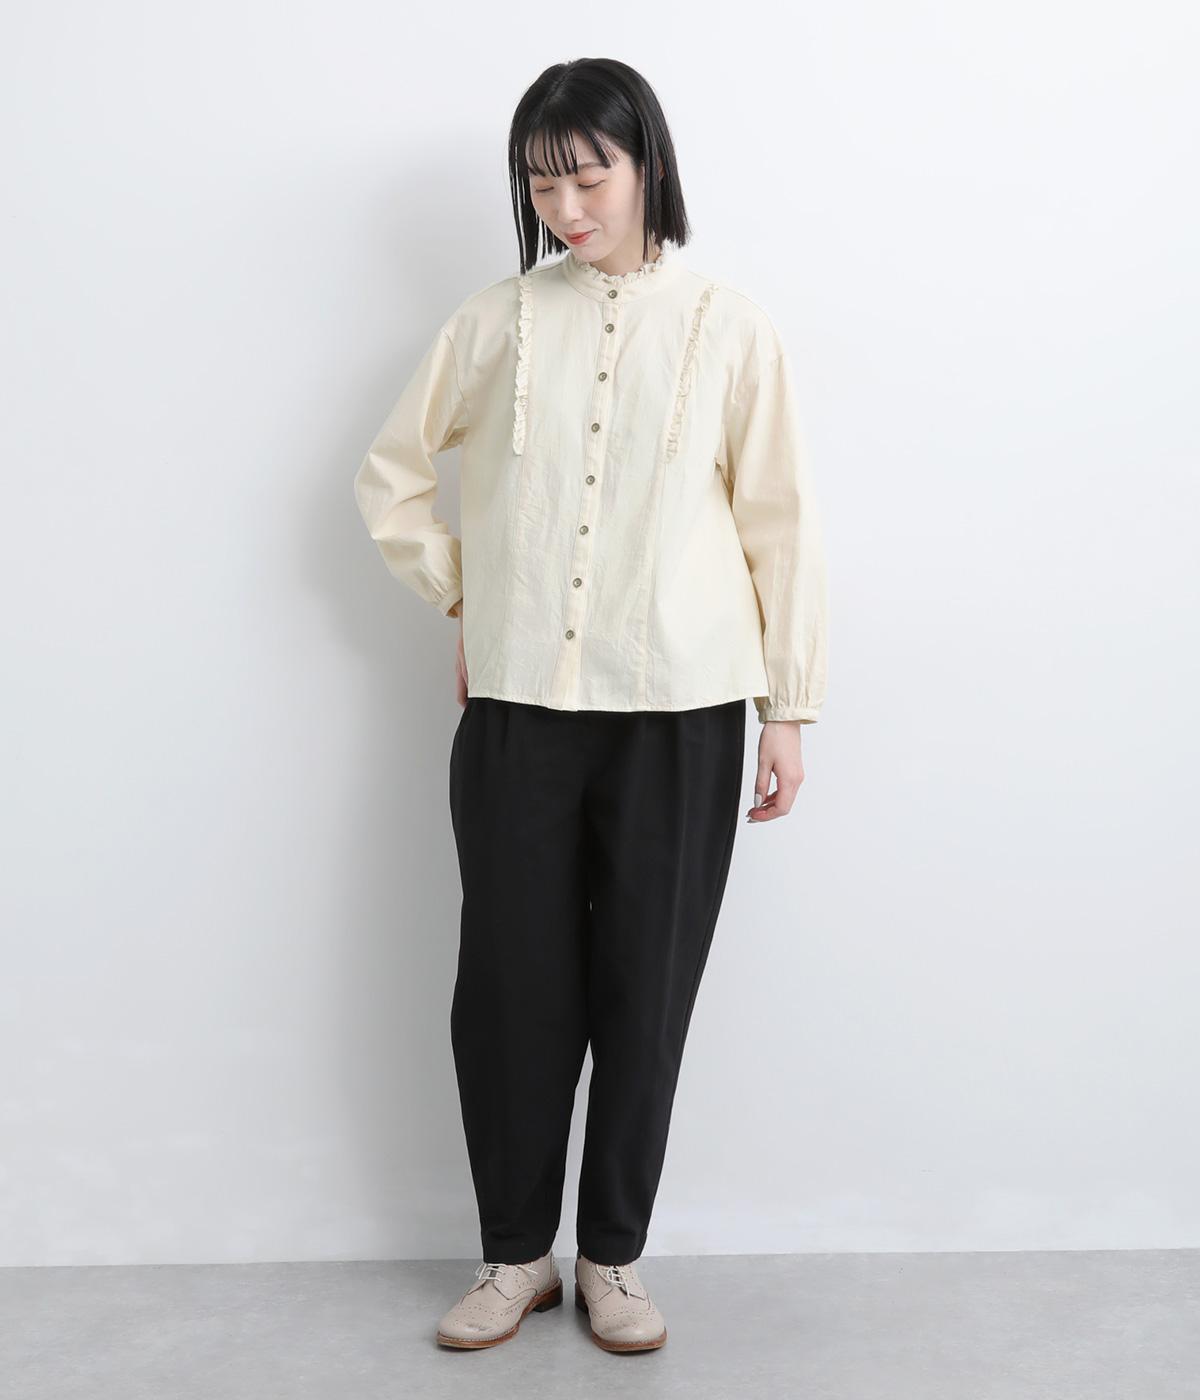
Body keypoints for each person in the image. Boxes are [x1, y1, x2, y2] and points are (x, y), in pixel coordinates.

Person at [353, 57, 829, 1354]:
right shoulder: (495, 324)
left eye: (588, 176)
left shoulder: (729, 325)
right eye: (541, 182)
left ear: (646, 165)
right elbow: (390, 478)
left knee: (644, 989)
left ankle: (612, 1258)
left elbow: (780, 522)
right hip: (520, 704)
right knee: (509, 990)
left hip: (685, 706)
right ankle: (516, 1257)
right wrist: (470, 596)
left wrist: (788, 709)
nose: (565, 207)